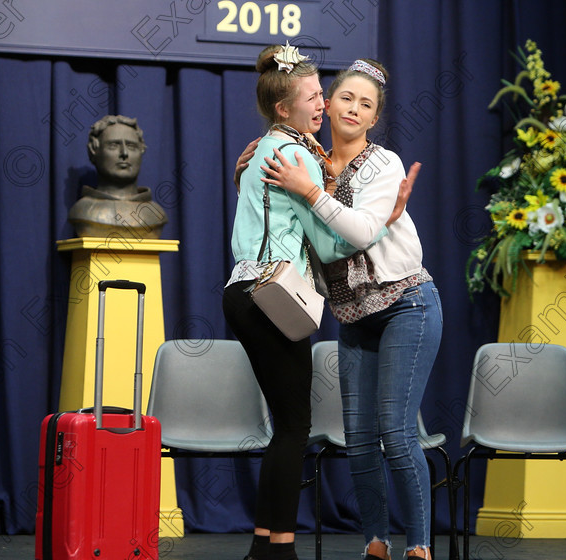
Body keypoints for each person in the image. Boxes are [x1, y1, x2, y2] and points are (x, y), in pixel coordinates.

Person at [223, 44, 415, 560]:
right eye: (312, 98)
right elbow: (331, 245)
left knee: (282, 426)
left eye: (320, 96)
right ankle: (280, 550)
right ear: (285, 108)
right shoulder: (300, 154)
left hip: (240, 292)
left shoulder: (263, 147)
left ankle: (264, 547)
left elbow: (255, 204)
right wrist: (381, 222)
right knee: (293, 428)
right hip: (273, 294)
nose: (321, 105)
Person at [260, 59, 442, 560]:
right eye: (345, 98)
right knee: (360, 438)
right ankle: (376, 544)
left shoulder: (384, 164)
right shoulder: (310, 161)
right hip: (355, 316)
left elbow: (361, 232)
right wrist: (253, 165)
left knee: (397, 431)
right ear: (326, 103)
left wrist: (312, 192)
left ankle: (420, 547)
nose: (354, 110)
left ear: (374, 118)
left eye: (366, 105)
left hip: (407, 304)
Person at [68, 115, 167, 238]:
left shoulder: (155, 214)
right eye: (113, 145)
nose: (124, 153)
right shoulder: (83, 212)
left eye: (131, 146)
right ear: (93, 151)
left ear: (141, 151)